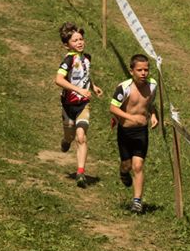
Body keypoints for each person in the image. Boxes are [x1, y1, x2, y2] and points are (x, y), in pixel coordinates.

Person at [54, 22, 103, 188]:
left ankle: (80, 173)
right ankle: (66, 140)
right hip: (68, 105)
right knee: (70, 136)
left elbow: (85, 74)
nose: (79, 42)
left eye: (81, 39)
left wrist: (93, 87)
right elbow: (58, 80)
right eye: (75, 41)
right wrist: (78, 90)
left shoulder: (87, 57)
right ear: (66, 45)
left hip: (83, 105)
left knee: (81, 137)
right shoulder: (68, 60)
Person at [109, 54, 159, 214]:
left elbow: (149, 103)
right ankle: (123, 172)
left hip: (141, 132)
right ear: (132, 71)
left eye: (146, 69)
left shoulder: (152, 85)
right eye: (139, 70)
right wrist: (130, 117)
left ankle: (137, 201)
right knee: (127, 165)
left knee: (138, 166)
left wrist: (153, 115)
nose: (143, 73)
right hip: (125, 132)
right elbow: (113, 108)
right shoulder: (124, 88)